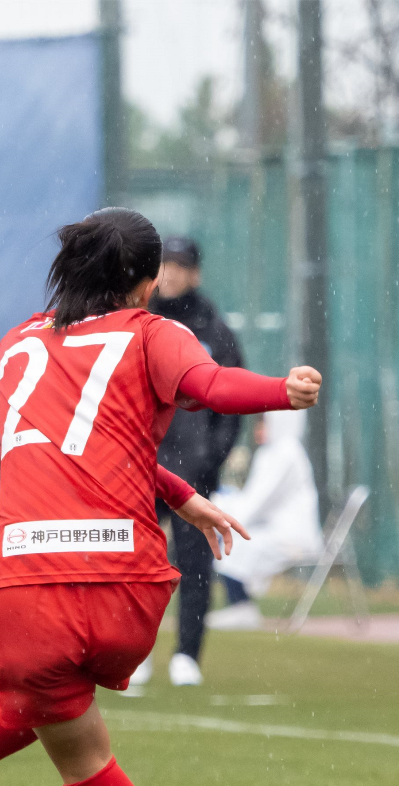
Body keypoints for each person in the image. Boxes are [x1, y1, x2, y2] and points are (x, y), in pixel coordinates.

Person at [0, 208, 322, 786]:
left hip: (27, 587)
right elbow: (211, 389)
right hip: (128, 591)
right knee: (46, 703)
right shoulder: (155, 334)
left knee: (73, 742)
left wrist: (180, 495)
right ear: (148, 281)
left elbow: (70, 443)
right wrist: (284, 390)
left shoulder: (24, 344)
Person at [130, 236, 244, 689]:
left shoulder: (214, 329)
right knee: (138, 561)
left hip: (192, 471)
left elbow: (231, 399)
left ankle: (186, 655)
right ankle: (134, 652)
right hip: (141, 464)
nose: (171, 274)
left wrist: (208, 456)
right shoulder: (138, 322)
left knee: (195, 563)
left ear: (195, 273)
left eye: (180, 265)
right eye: (165, 265)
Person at [207, 410, 323, 630]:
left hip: (292, 537)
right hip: (273, 531)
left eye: (263, 423)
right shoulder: (270, 453)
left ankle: (242, 607)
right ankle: (241, 607)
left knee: (236, 542)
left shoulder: (287, 453)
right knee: (236, 539)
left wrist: (223, 510)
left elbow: (257, 503)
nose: (258, 429)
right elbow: (253, 500)